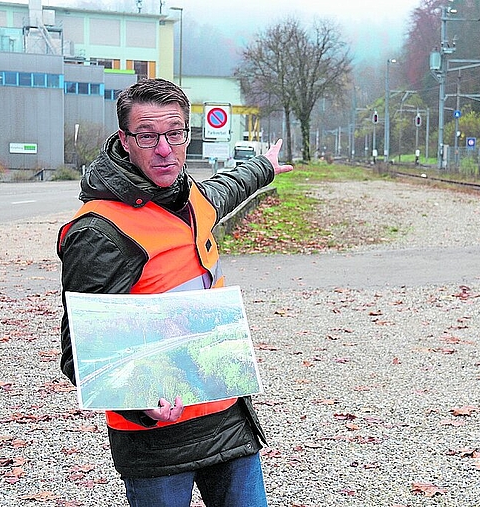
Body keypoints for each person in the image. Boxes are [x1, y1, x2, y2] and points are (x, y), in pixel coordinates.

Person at [57, 78, 293, 507]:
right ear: (125, 141)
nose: (164, 148)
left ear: (187, 134)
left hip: (225, 414)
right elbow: (81, 354)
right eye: (147, 136)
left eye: (175, 133)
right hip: (157, 439)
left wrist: (263, 167)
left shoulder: (193, 199)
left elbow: (227, 187)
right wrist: (139, 404)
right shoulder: (99, 231)